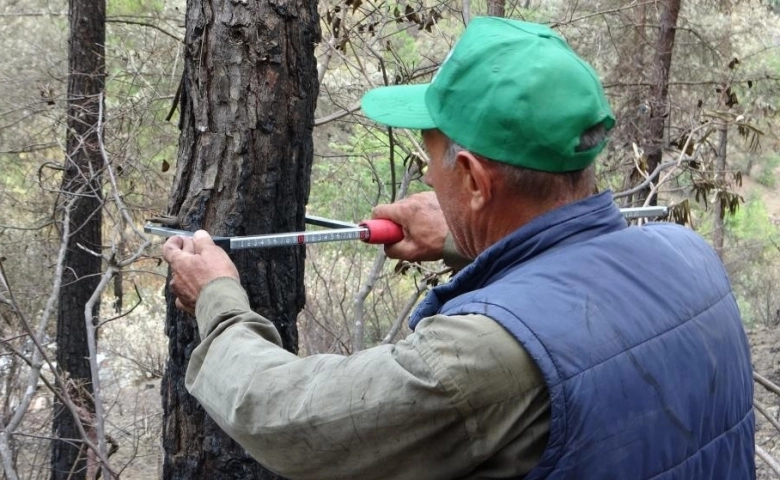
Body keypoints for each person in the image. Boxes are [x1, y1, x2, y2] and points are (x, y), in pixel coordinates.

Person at [163, 17, 755, 480]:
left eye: (431, 162)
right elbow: (584, 299)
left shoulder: (480, 361)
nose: (428, 179)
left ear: (473, 180)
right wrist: (462, 238)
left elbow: (287, 417)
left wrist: (218, 300)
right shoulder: (688, 254)